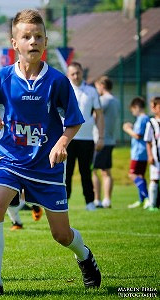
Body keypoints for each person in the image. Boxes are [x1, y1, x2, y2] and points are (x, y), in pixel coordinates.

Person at [0, 10, 101, 295]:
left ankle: (85, 256)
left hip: (46, 165)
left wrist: (61, 143)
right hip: (11, 159)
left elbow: (74, 120)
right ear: (14, 43)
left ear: (45, 41)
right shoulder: (2, 77)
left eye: (38, 36)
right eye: (26, 36)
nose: (33, 41)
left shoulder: (56, 80)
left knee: (61, 235)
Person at [65, 61, 104, 211]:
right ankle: (64, 202)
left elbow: (99, 115)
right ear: (68, 75)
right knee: (66, 173)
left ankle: (90, 202)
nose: (75, 76)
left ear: (82, 73)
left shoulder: (91, 91)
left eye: (78, 73)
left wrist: (101, 136)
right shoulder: (64, 89)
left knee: (86, 172)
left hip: (87, 138)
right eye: (72, 73)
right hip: (67, 138)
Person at [92, 76, 120, 208]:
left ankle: (97, 199)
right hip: (110, 139)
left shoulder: (103, 100)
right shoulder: (116, 100)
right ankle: (107, 200)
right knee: (106, 171)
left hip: (99, 139)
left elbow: (94, 116)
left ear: (102, 86)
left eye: (97, 87)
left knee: (94, 170)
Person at [124, 97, 150, 209]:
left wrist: (127, 129)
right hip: (141, 152)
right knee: (140, 175)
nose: (133, 113)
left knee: (132, 174)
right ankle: (142, 200)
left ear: (136, 107)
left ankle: (148, 198)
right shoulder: (143, 118)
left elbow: (138, 135)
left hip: (139, 152)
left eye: (133, 110)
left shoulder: (143, 118)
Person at [143, 96, 160, 211]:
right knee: (154, 179)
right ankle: (152, 204)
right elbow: (148, 141)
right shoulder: (151, 123)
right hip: (156, 157)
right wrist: (149, 155)